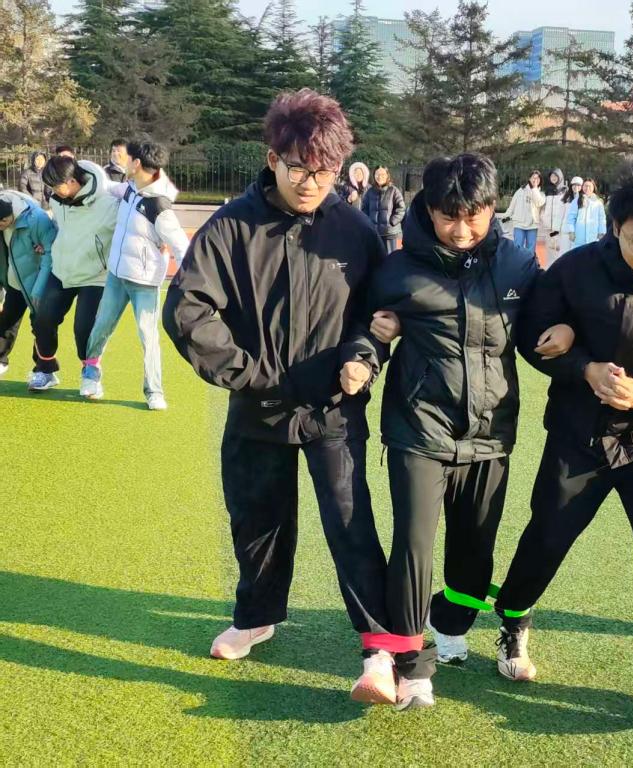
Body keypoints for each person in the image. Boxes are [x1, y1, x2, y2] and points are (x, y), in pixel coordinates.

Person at [163, 88, 398, 705]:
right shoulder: (231, 226)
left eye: (324, 171)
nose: (311, 183)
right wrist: (249, 373)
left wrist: (361, 358)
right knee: (256, 517)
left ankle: (378, 647)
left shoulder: (356, 231)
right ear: (273, 160)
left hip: (333, 407)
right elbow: (187, 309)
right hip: (257, 403)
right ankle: (256, 616)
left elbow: (378, 315)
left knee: (350, 521)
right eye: (299, 169)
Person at [492, 155, 633, 725]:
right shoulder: (575, 271)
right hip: (579, 436)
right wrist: (582, 366)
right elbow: (532, 336)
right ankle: (513, 620)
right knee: (548, 535)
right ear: (615, 226)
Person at [347, 152, 574, 711]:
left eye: (474, 215)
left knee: (474, 553)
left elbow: (542, 330)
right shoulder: (397, 271)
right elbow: (366, 329)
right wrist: (364, 355)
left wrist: (564, 334)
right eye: (449, 216)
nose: (462, 228)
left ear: (492, 208)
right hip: (418, 428)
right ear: (428, 209)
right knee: (414, 543)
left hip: (491, 433)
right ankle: (410, 665)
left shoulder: (518, 265)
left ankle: (449, 622)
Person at [81, 140, 190, 409]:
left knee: (148, 337)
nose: (123, 161)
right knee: (101, 326)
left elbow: (181, 247)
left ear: (137, 163)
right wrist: (84, 171)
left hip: (144, 282)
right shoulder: (130, 188)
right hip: (116, 276)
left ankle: (154, 391)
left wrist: (189, 284)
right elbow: (109, 187)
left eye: (127, 158)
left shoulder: (160, 207)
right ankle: (90, 374)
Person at [30, 156, 118, 392]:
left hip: (95, 276)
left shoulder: (110, 202)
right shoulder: (58, 200)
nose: (53, 191)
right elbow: (58, 226)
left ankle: (90, 375)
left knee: (84, 329)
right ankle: (46, 370)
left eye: (56, 185)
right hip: (62, 270)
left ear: (71, 180)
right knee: (42, 319)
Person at [0, 192, 56, 377]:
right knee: (6, 321)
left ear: (7, 218)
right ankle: (1, 360)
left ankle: (43, 371)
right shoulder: (3, 211)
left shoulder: (37, 219)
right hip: (14, 282)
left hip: (37, 283)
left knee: (41, 326)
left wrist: (39, 289)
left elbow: (50, 253)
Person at [361, 166, 406, 253]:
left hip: (392, 234)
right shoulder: (370, 191)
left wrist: (392, 221)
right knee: (377, 259)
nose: (380, 176)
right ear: (374, 176)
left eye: (382, 174)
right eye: (377, 174)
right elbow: (364, 208)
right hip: (375, 234)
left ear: (387, 175)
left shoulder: (394, 190)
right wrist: (368, 222)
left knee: (395, 259)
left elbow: (401, 208)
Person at [506, 170, 545, 255]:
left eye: (537, 178)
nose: (535, 180)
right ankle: (517, 263)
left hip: (532, 225)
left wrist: (534, 189)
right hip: (519, 224)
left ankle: (529, 263)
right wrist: (505, 217)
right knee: (517, 248)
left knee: (530, 251)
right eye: (533, 177)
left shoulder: (541, 194)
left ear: (540, 180)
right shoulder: (520, 190)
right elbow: (512, 205)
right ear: (529, 178)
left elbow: (539, 203)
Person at [539, 169, 567, 265]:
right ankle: (549, 270)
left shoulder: (565, 191)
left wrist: (562, 224)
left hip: (559, 228)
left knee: (559, 251)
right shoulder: (548, 191)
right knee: (549, 251)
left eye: (555, 176)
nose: (553, 178)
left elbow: (566, 209)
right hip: (548, 227)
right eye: (552, 176)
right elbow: (543, 208)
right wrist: (543, 218)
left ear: (560, 177)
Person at [566, 178, 606, 247]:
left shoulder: (598, 202)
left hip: (593, 237)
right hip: (579, 237)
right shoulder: (577, 200)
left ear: (593, 188)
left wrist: (601, 232)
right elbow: (571, 217)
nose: (587, 188)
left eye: (589, 186)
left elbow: (602, 218)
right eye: (585, 186)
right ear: (582, 187)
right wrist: (571, 231)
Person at [558, 176, 583, 255]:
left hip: (578, 231)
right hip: (565, 230)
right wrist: (558, 230)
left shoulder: (584, 199)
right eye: (574, 185)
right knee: (564, 253)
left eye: (578, 185)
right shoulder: (566, 198)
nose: (576, 187)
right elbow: (560, 215)